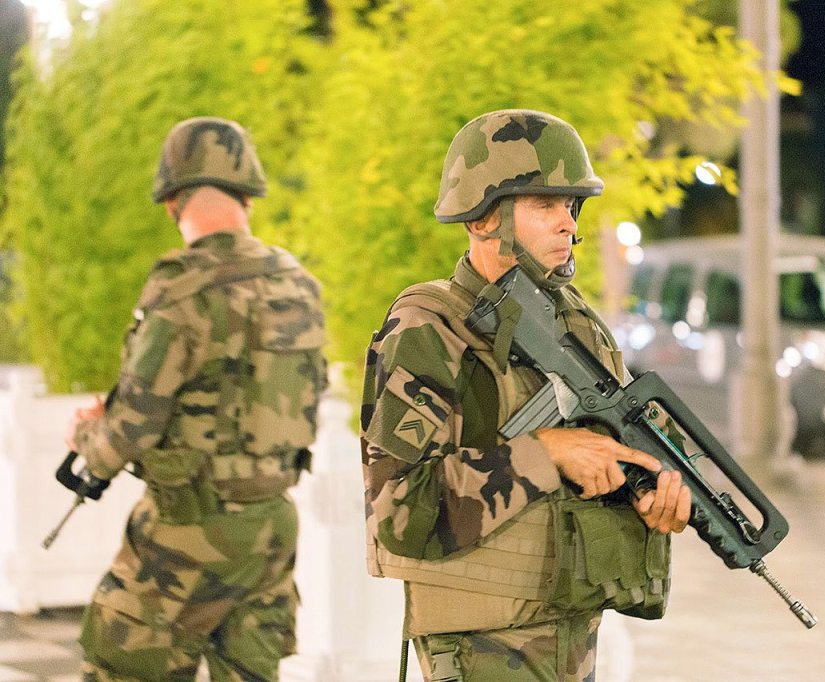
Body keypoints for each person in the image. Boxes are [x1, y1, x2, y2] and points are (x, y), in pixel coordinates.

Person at [360, 109, 691, 681]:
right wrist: (547, 453)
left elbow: (611, 464)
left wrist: (652, 493)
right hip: (482, 647)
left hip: (571, 639)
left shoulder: (580, 326)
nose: (568, 223)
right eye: (545, 204)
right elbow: (398, 512)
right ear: (483, 216)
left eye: (571, 205)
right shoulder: (430, 329)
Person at [64, 116, 328, 682]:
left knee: (121, 666)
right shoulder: (298, 283)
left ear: (172, 199)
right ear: (248, 196)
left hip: (191, 529)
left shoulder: (181, 288)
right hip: (272, 524)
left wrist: (87, 433)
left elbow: (129, 431)